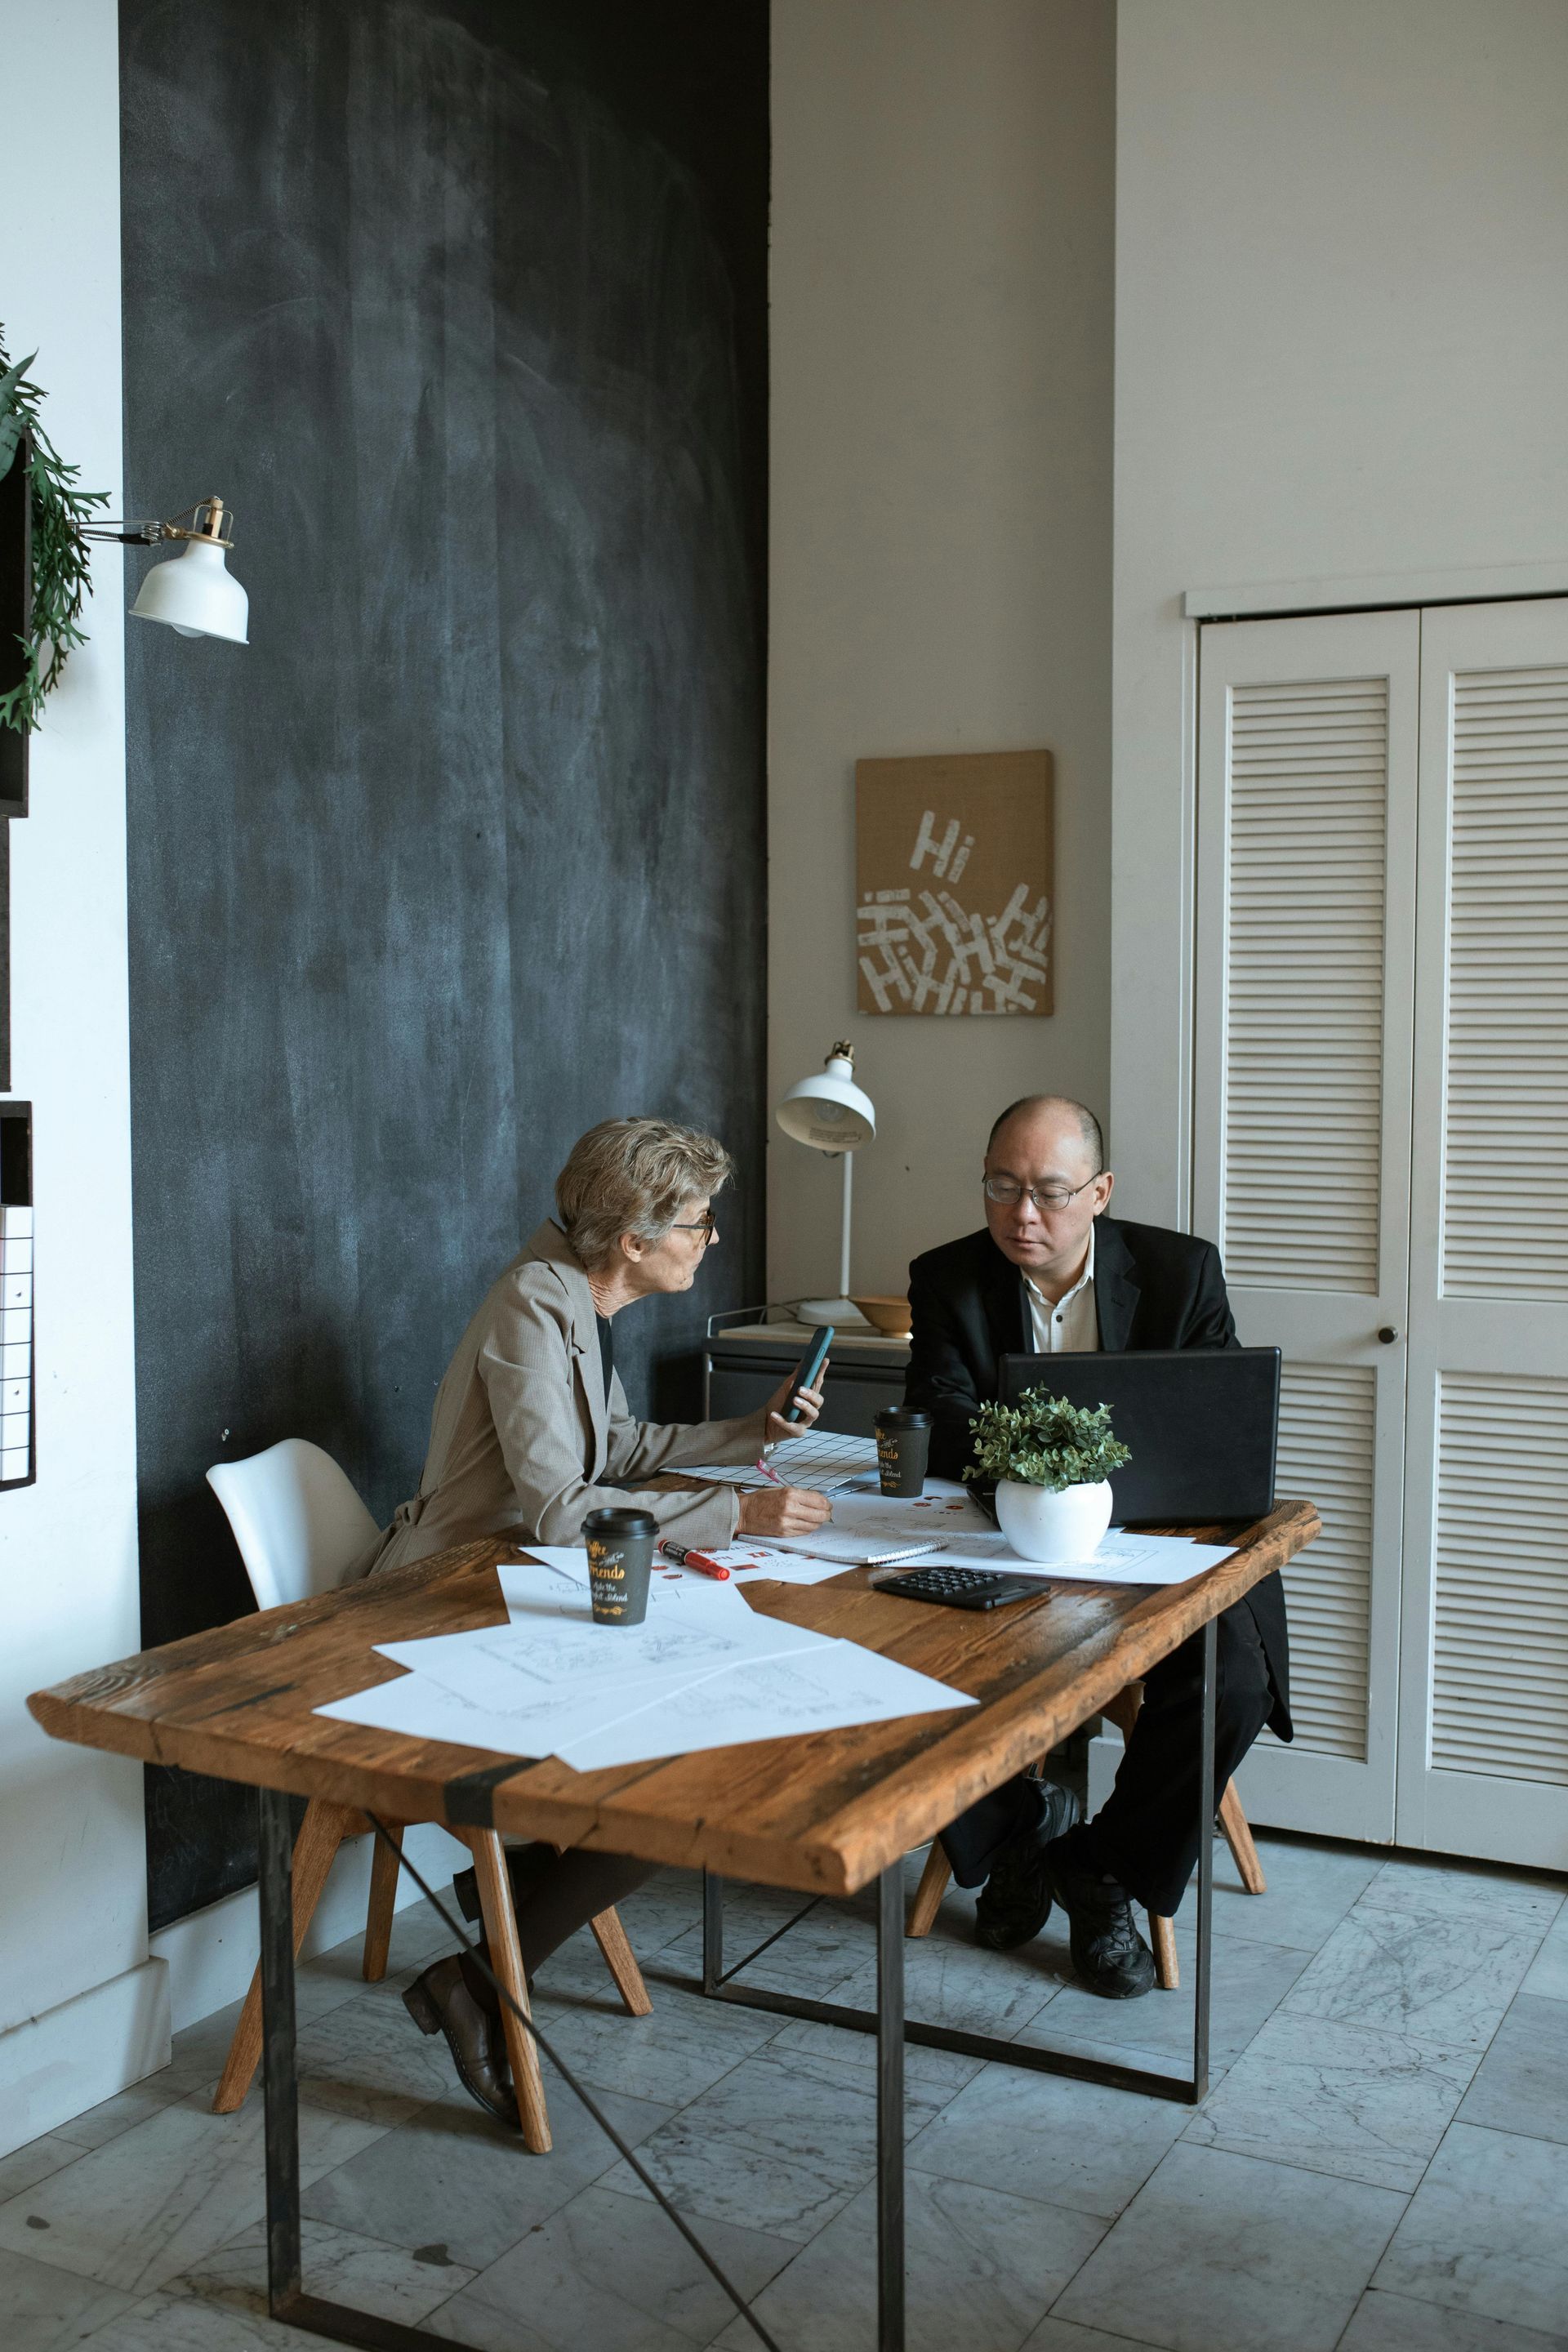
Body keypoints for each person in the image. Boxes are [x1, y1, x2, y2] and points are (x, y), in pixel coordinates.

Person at [367, 1116, 832, 2120]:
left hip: (520, 1582)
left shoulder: (572, 1293)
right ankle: (487, 1965)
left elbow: (610, 1448)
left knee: (695, 1756)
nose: (710, 1240)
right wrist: (735, 1509)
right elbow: (558, 1506)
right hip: (449, 1597)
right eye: (699, 1223)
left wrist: (753, 1431)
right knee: (683, 1784)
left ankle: (494, 1942)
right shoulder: (532, 1304)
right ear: (635, 1240)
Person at [904, 1093, 1290, 1999]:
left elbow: (1211, 1419)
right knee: (898, 1649)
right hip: (1013, 1539)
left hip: (1165, 1538)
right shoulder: (946, 1276)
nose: (1022, 1215)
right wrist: (1048, 1465)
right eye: (1001, 1187)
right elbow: (943, 1419)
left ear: (1100, 1191)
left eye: (1048, 1191)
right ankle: (1014, 1837)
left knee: (1233, 1680)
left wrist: (1052, 1445)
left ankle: (1104, 1868)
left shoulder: (1180, 1272)